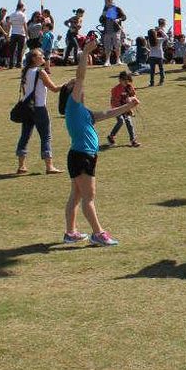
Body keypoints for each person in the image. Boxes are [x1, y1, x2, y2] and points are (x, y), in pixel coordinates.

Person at [58, 39, 138, 246]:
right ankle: (98, 233)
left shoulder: (82, 111)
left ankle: (70, 233)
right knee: (89, 198)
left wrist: (128, 106)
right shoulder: (73, 106)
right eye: (76, 88)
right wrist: (85, 52)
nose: (81, 88)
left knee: (76, 196)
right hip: (82, 156)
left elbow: (106, 114)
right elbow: (81, 76)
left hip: (82, 155)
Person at [16, 49, 62, 175]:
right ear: (33, 59)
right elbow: (54, 89)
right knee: (45, 137)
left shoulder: (25, 71)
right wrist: (68, 84)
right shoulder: (40, 72)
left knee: (25, 136)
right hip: (39, 108)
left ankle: (21, 166)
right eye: (40, 56)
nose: (43, 57)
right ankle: (49, 166)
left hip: (27, 108)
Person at [107, 71, 140, 147]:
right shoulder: (116, 89)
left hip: (126, 108)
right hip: (116, 108)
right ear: (120, 80)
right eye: (124, 80)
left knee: (129, 122)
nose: (126, 82)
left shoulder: (129, 87)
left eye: (127, 80)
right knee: (121, 121)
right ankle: (111, 136)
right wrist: (124, 109)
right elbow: (115, 102)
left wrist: (132, 99)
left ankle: (133, 140)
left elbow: (134, 96)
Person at [99, 0, 127, 66]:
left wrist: (118, 19)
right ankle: (107, 61)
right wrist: (102, 16)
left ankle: (118, 60)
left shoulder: (117, 8)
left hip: (116, 30)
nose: (105, 4)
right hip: (107, 30)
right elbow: (100, 20)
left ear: (111, 1)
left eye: (107, 2)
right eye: (105, 2)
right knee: (107, 46)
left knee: (117, 45)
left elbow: (124, 17)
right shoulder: (105, 10)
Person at [7, 3, 28, 69]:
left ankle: (11, 64)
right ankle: (18, 64)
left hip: (14, 33)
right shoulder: (23, 15)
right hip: (21, 34)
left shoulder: (12, 15)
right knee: (20, 50)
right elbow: (25, 25)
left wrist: (8, 34)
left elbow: (9, 25)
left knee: (12, 50)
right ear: (21, 7)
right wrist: (27, 35)